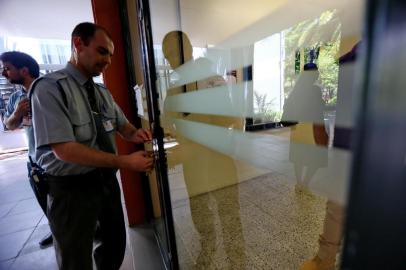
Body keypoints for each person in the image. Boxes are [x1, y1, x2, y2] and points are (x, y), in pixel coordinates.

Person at [30, 22, 154, 270]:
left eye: (110, 54)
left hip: (105, 184)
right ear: (78, 43)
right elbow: (65, 150)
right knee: (75, 258)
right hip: (70, 191)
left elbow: (123, 126)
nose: (108, 60)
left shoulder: (102, 92)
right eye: (102, 51)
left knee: (114, 246)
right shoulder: (49, 89)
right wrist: (125, 162)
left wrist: (137, 134)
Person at [0, 51, 53, 248]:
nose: (4, 73)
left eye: (7, 68)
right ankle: (56, 230)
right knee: (44, 200)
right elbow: (8, 124)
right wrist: (17, 113)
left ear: (23, 70)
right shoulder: (16, 97)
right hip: (35, 162)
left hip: (61, 160)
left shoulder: (50, 90)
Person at [281, 63, 328, 188]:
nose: (317, 74)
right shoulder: (315, 90)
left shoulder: (296, 90)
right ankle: (306, 182)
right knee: (317, 158)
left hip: (297, 128)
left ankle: (299, 182)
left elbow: (288, 106)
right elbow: (319, 108)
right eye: (316, 72)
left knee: (298, 157)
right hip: (311, 128)